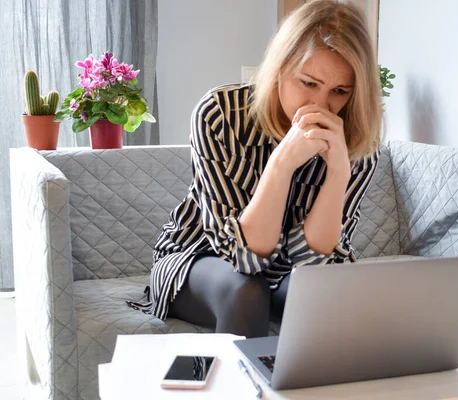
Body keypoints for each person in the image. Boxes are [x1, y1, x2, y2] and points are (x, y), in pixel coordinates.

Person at [127, 0, 382, 338]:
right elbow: (244, 260)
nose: (320, 106)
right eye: (308, 83)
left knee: (322, 293)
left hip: (289, 270)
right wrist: (282, 162)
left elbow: (316, 263)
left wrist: (337, 173)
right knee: (247, 291)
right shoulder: (220, 115)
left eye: (339, 92)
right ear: (279, 68)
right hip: (198, 257)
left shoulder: (355, 140)